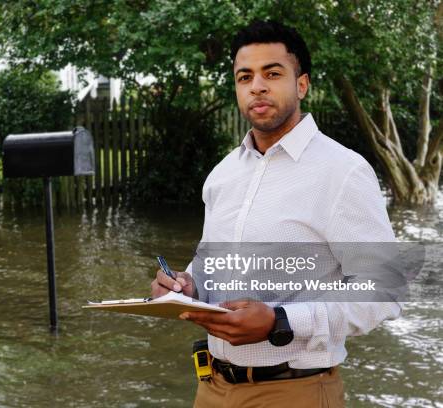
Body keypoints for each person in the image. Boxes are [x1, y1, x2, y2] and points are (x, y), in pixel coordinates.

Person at [150, 20, 400, 408]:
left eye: (272, 73)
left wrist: (281, 321)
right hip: (212, 387)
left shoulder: (342, 171)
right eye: (244, 76)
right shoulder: (223, 174)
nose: (257, 86)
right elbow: (210, 263)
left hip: (295, 391)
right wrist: (185, 287)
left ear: (301, 84)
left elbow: (384, 291)